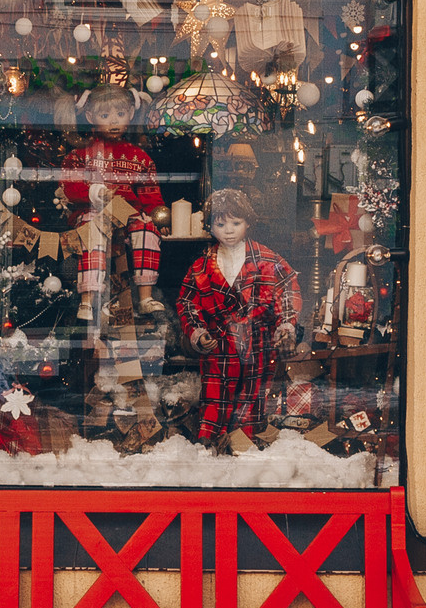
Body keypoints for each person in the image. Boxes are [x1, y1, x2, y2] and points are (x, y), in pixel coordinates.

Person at [174, 185, 301, 448]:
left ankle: (244, 450)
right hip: (218, 346)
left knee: (252, 401)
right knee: (214, 402)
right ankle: (210, 450)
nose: (229, 230)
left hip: (257, 344)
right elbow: (187, 302)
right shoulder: (201, 266)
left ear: (248, 223)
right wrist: (197, 331)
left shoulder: (267, 260)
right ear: (210, 226)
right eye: (221, 224)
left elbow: (286, 288)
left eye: (236, 222)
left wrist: (285, 322)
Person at [60, 85, 167, 319]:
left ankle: (145, 296)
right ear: (90, 117)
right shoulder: (81, 154)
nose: (114, 121)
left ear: (130, 114)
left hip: (127, 212)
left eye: (120, 114)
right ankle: (87, 299)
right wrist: (95, 193)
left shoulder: (139, 156)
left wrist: (154, 212)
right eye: (105, 116)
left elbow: (149, 190)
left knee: (146, 229)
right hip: (93, 211)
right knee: (92, 232)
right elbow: (70, 186)